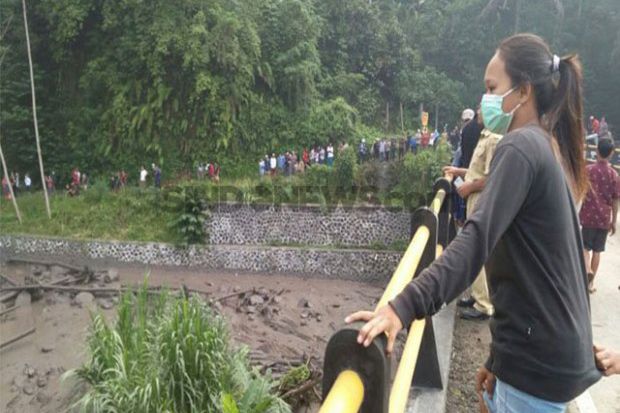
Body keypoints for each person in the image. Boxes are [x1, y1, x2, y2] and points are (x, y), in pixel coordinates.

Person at [346, 33, 600, 413]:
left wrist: (401, 307)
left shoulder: (519, 147)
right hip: (544, 357)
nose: (486, 100)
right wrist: (498, 361)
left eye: (492, 87)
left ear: (524, 91)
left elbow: (475, 240)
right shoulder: (544, 146)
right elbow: (531, 270)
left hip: (537, 364)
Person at [444, 119, 502, 320]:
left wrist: (468, 187)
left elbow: (492, 176)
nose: (481, 110)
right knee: (475, 249)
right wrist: (458, 172)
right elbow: (476, 171)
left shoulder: (494, 139)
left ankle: (484, 305)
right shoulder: (485, 135)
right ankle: (478, 297)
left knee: (477, 248)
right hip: (473, 197)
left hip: (478, 198)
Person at [579, 138, 619, 292]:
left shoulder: (588, 170)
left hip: (588, 216)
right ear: (611, 154)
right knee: (597, 250)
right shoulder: (614, 175)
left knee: (584, 247)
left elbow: (581, 191)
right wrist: (613, 221)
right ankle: (590, 284)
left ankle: (587, 269)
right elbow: (616, 200)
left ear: (596, 151)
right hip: (603, 219)